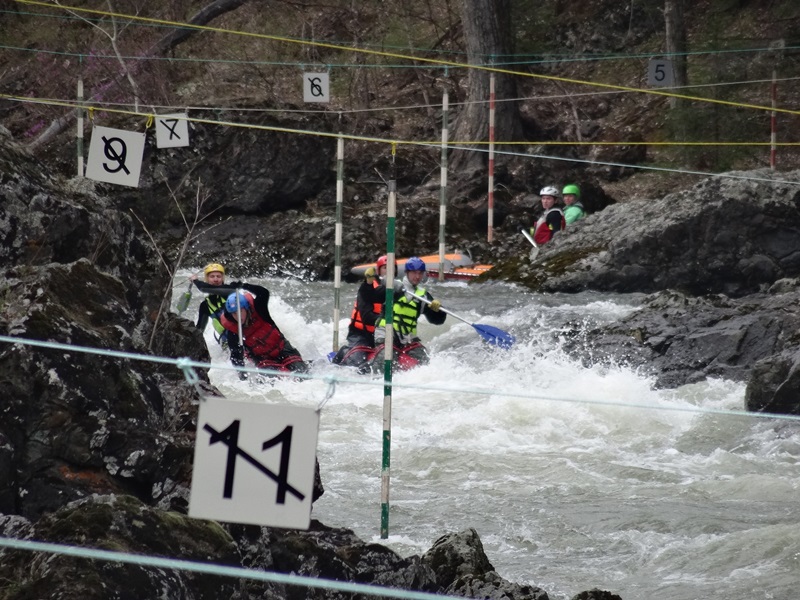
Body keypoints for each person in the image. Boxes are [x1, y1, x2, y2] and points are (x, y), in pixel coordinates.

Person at [369, 256, 446, 372]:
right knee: (387, 358)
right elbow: (377, 290)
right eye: (414, 273)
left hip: (407, 338)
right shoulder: (394, 286)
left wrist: (439, 310)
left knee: (424, 359)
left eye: (420, 273)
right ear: (407, 272)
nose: (417, 276)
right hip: (386, 332)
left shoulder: (423, 296)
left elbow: (437, 320)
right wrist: (384, 282)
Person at [219, 282, 308, 378]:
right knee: (277, 378)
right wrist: (242, 375)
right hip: (262, 358)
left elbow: (263, 292)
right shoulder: (234, 331)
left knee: (301, 373)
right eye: (234, 313)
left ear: (246, 308)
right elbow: (236, 355)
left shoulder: (260, 309)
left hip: (283, 349)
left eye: (240, 311)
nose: (238, 316)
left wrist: (243, 285)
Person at [331, 255, 390, 371]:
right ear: (378, 271)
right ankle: (344, 352)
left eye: (392, 268)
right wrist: (386, 321)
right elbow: (366, 317)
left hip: (381, 334)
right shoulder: (367, 289)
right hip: (360, 334)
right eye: (385, 268)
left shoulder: (398, 290)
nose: (389, 271)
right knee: (357, 361)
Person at [192, 263, 230, 350]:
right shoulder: (205, 305)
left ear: (223, 278)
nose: (215, 279)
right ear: (207, 279)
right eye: (212, 277)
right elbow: (200, 330)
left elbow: (204, 288)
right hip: (226, 342)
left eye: (218, 276)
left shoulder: (229, 292)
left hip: (242, 337)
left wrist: (196, 281)